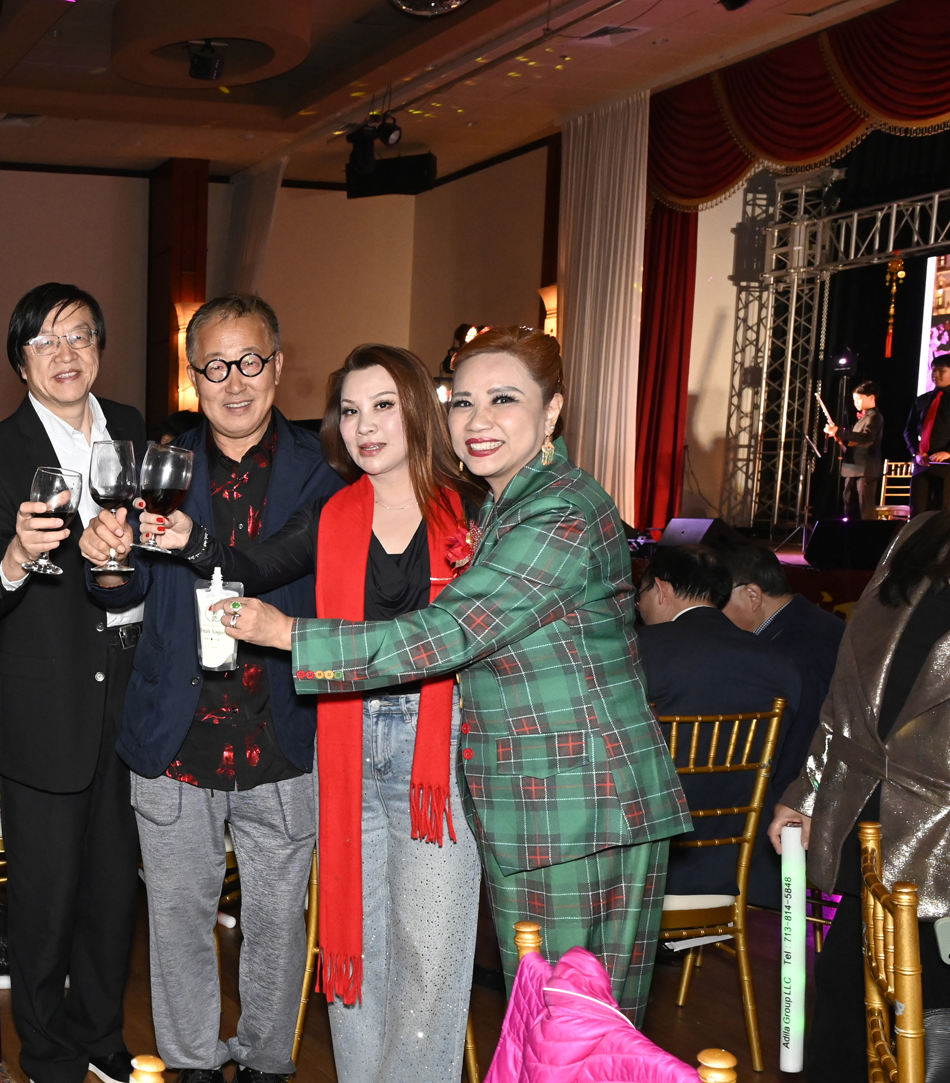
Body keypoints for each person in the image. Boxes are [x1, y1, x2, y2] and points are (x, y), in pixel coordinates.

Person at [201, 328, 690, 1022]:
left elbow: (447, 633)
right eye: (463, 402)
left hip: (579, 803)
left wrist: (286, 634)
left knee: (576, 1034)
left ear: (552, 410)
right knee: (549, 1030)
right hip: (537, 802)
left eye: (503, 399)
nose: (478, 420)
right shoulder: (508, 503)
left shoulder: (559, 512)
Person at [114, 337, 486, 1083]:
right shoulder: (337, 512)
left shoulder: (473, 512)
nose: (364, 425)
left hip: (435, 743)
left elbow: (461, 636)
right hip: (346, 732)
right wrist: (189, 540)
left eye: (383, 406)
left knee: (428, 947)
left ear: (419, 409)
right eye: (350, 411)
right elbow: (252, 563)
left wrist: (289, 635)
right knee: (357, 929)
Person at [75, 298, 341, 1083]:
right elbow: (123, 591)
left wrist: (192, 543)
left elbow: (284, 561)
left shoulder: (324, 471)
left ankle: (264, 1066)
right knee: (180, 916)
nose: (234, 382)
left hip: (280, 730)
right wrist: (107, 561)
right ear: (193, 376)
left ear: (278, 363)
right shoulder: (160, 465)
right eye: (214, 366)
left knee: (277, 920)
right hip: (176, 731)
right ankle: (193, 1063)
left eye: (250, 362)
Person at [0, 282, 147, 1083]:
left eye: (80, 337)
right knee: (44, 891)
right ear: (20, 361)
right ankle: (48, 1052)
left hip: (133, 686)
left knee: (114, 882)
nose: (65, 355)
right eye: (45, 342)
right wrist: (14, 553)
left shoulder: (133, 430)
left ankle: (99, 1029)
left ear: (99, 347)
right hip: (48, 698)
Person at [757, 511, 950, 1083]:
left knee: (938, 1050)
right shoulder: (923, 534)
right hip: (878, 824)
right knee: (846, 1016)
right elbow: (850, 689)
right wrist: (807, 791)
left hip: (948, 842)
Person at [634, 543, 801, 901]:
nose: (639, 606)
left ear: (661, 588)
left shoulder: (636, 652)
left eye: (639, 595)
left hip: (653, 865)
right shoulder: (779, 662)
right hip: (745, 864)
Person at [716, 535, 844, 905]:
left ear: (752, 595)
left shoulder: (787, 649)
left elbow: (793, 746)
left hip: (798, 801)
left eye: (718, 602)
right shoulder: (814, 623)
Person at [826, 380, 884, 519]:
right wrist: (839, 437)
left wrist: (839, 431)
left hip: (866, 468)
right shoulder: (863, 417)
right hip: (852, 466)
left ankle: (866, 532)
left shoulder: (875, 417)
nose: (855, 403)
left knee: (865, 508)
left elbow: (866, 437)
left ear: (871, 397)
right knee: (849, 504)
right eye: (854, 400)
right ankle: (850, 530)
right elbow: (854, 441)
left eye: (858, 399)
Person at [905, 354, 950, 513]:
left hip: (949, 465)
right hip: (922, 463)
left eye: (942, 371)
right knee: (918, 510)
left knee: (943, 512)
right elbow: (909, 430)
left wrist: (949, 452)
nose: (936, 375)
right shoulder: (923, 400)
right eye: (933, 370)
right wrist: (916, 452)